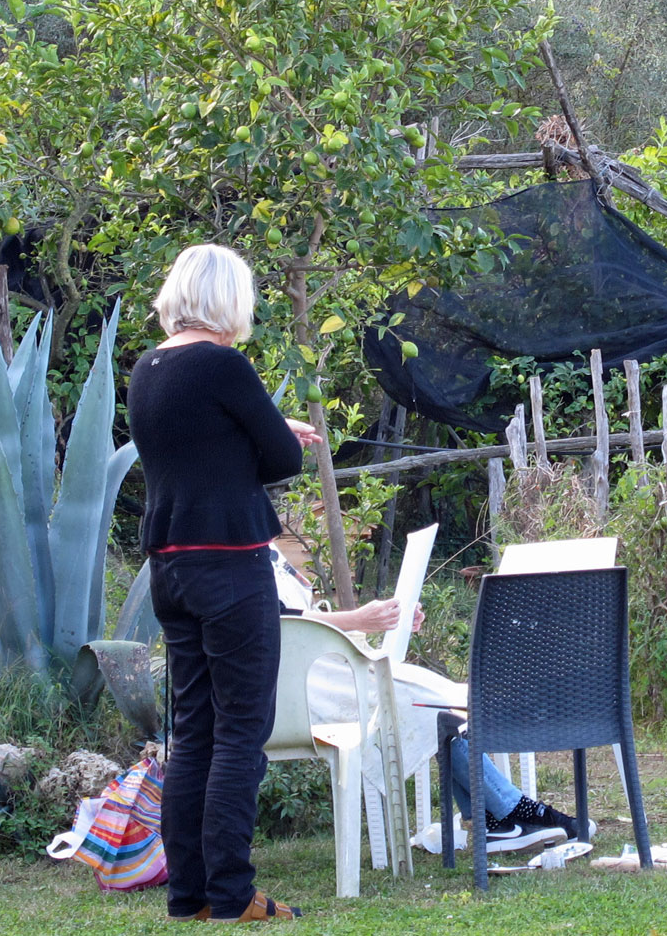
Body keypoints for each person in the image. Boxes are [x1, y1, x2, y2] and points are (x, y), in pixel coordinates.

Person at [130, 244, 317, 924]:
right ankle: (234, 893)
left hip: (170, 569)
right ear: (228, 300)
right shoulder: (223, 365)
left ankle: (191, 895)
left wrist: (260, 430)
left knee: (195, 731)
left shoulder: (148, 369)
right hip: (230, 565)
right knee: (241, 731)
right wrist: (277, 430)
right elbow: (284, 458)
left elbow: (198, 453)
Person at [267, 542, 588, 853]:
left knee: (433, 699)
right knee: (426, 704)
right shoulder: (242, 549)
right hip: (296, 694)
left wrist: (386, 620)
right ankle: (511, 812)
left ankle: (500, 818)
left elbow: (301, 619)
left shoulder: (265, 543)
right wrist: (358, 620)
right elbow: (273, 620)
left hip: (325, 672)